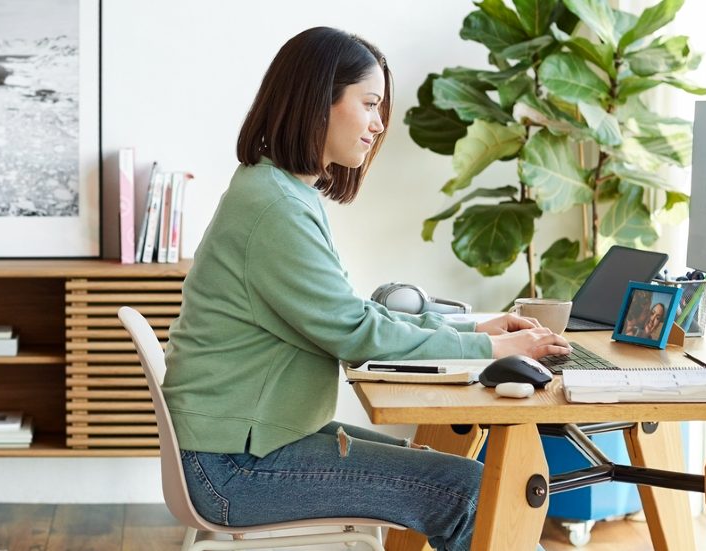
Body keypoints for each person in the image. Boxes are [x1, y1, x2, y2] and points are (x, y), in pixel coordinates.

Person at [161, 27, 569, 551]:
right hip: (234, 468)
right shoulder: (275, 207)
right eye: (370, 104)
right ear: (318, 102)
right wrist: (492, 348)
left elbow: (346, 314)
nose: (379, 125)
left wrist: (472, 326)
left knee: (457, 480)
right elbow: (355, 331)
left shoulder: (277, 191)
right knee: (472, 493)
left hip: (247, 445)